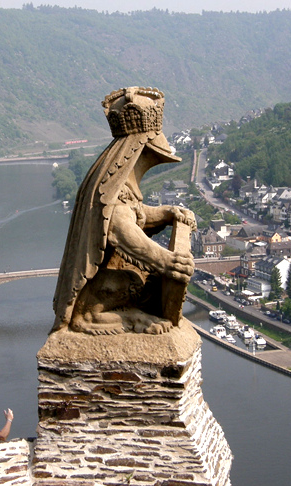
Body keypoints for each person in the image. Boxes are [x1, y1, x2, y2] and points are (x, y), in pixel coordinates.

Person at [52, 86, 196, 336]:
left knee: (145, 280)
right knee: (133, 281)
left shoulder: (118, 185)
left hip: (103, 281)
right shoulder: (112, 189)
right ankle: (95, 316)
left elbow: (136, 214)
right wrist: (167, 261)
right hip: (96, 288)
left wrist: (166, 213)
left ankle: (121, 311)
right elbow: (120, 229)